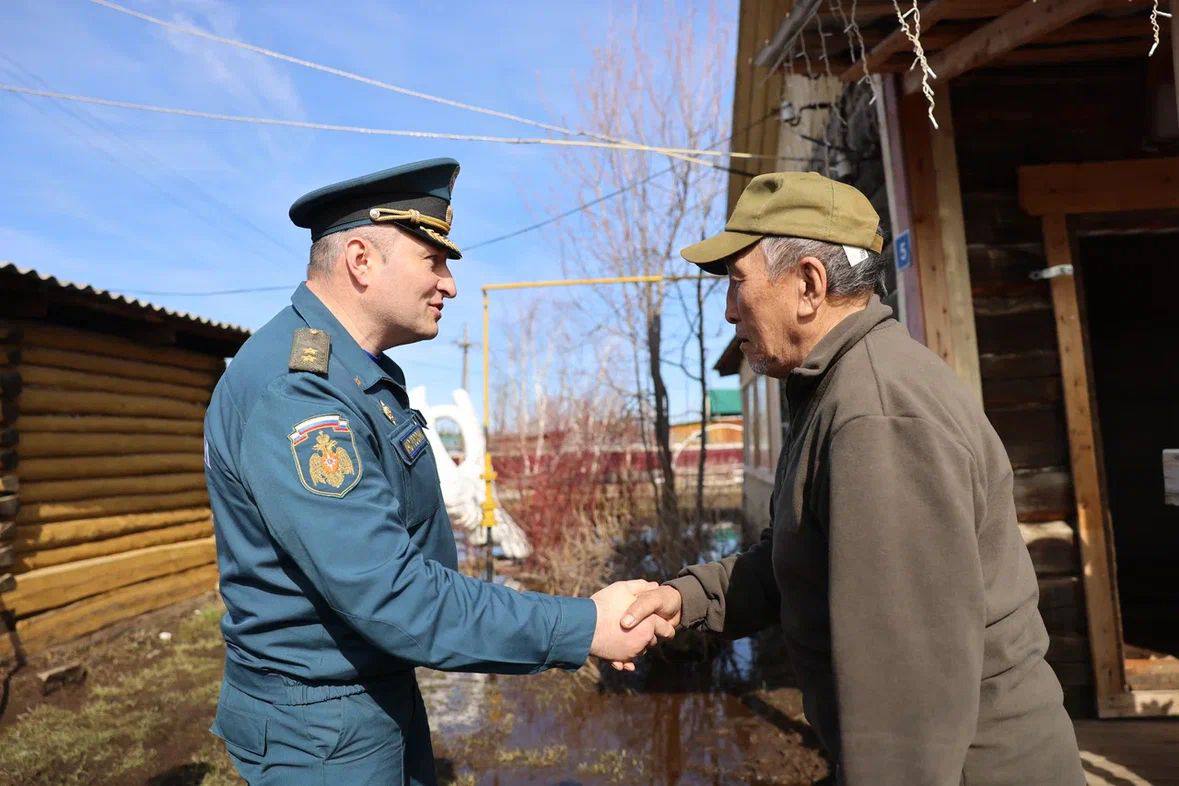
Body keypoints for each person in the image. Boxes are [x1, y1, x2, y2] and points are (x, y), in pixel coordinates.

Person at [203, 158, 669, 785]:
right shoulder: (299, 395)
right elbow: (393, 594)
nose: (449, 285)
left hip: (365, 693)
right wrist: (584, 626)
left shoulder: (357, 375)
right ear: (361, 261)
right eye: (434, 260)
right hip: (320, 731)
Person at [620, 171, 1085, 785]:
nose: (730, 310)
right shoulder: (839, 386)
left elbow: (906, 690)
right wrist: (686, 598)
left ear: (809, 285)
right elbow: (803, 557)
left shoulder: (876, 414)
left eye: (737, 283)